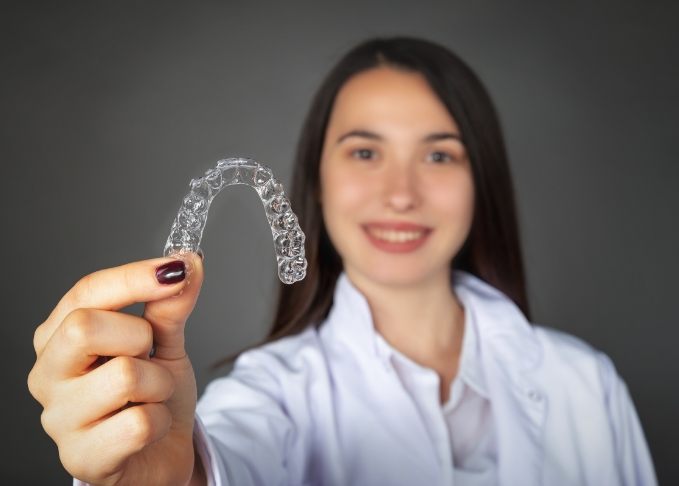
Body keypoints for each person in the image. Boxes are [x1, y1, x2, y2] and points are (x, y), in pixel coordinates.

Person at [28, 37, 657, 486]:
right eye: (364, 153)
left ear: (480, 181)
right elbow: (229, 459)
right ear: (318, 179)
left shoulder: (587, 385)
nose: (401, 193)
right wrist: (177, 479)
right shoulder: (268, 396)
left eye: (439, 155)